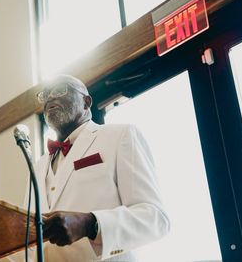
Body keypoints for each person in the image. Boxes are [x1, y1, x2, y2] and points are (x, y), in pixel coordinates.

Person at [32, 74, 170, 261]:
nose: (49, 97)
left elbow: (155, 219)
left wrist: (90, 224)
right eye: (45, 94)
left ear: (86, 102)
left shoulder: (121, 136)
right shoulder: (38, 166)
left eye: (59, 90)